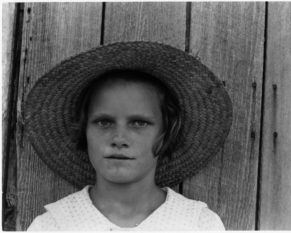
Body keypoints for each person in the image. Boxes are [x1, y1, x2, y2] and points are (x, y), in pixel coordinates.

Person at [24, 41, 232, 230]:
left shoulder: (198, 224)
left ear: (166, 133)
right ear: (84, 130)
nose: (119, 139)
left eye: (139, 123)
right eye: (104, 122)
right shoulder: (53, 225)